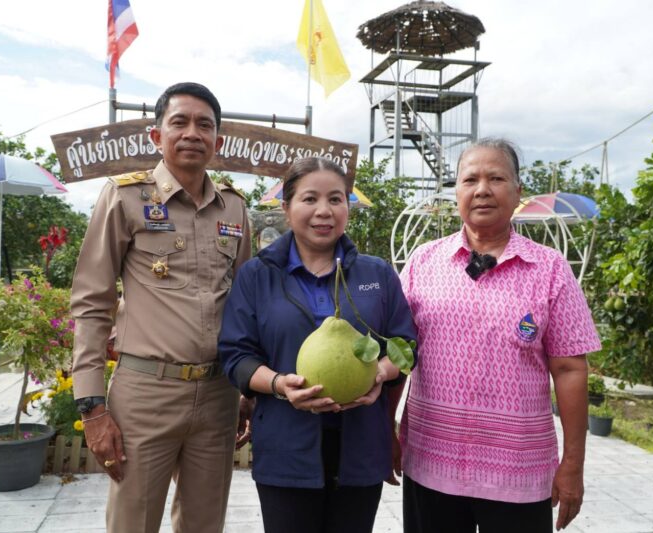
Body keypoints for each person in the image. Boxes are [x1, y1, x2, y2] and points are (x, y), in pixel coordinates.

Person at [70, 82, 252, 533]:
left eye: (204, 125)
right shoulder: (125, 197)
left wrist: (248, 387)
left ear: (218, 141)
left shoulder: (234, 208)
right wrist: (92, 406)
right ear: (157, 136)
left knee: (204, 524)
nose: (192, 132)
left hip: (217, 397)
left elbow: (248, 303)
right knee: (134, 522)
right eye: (180, 122)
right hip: (145, 394)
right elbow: (93, 302)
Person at [397, 138, 601, 533]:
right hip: (430, 462)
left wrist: (573, 464)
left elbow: (570, 368)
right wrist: (385, 429)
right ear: (456, 191)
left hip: (519, 475)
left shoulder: (550, 270)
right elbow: (399, 353)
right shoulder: (423, 261)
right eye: (470, 179)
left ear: (518, 191)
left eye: (496, 178)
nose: (482, 189)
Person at [218, 157, 418, 533]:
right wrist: (279, 384)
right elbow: (236, 355)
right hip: (286, 448)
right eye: (310, 199)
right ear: (286, 207)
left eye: (336, 199)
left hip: (360, 447)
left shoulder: (376, 274)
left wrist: (381, 372)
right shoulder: (258, 275)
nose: (324, 211)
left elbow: (405, 343)